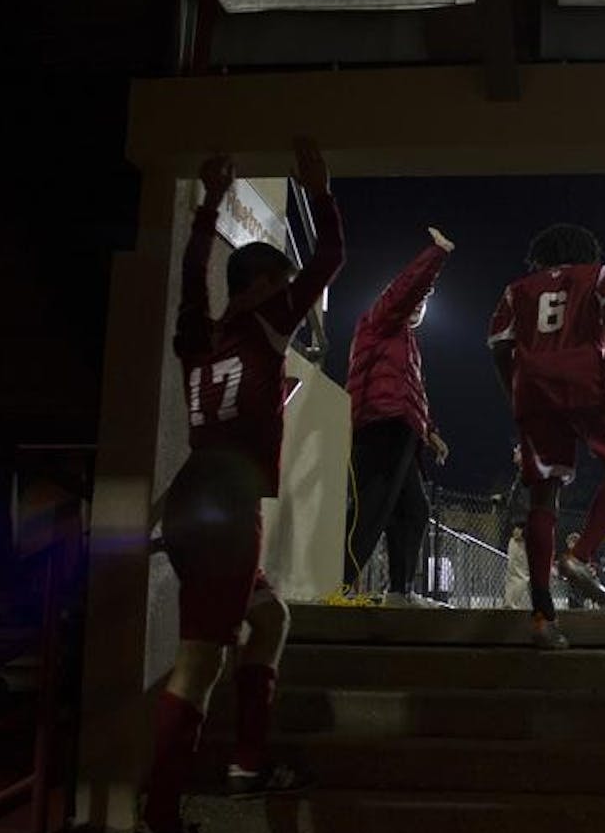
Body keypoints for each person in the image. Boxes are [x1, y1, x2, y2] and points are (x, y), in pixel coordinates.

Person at [144, 141, 341, 833]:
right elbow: (330, 259)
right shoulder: (262, 325)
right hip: (227, 511)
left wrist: (206, 205)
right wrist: (318, 191)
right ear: (261, 286)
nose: (290, 299)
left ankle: (247, 764)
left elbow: (195, 274)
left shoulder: (199, 335)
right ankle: (161, 812)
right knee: (198, 662)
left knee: (270, 619)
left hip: (195, 497)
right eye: (279, 284)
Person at [487, 223, 605, 649]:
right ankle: (579, 555)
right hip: (585, 377)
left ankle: (540, 616)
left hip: (533, 387)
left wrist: (513, 391)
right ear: (586, 252)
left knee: (542, 496)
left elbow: (498, 344)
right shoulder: (602, 275)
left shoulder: (518, 289)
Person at [345, 227, 454, 607]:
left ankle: (399, 592)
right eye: (418, 300)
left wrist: (431, 433)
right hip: (380, 424)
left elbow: (412, 393)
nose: (421, 306)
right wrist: (436, 255)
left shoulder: (405, 343)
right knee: (372, 506)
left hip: (402, 428)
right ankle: (337, 581)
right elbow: (405, 291)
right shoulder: (379, 321)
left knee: (413, 510)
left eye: (425, 303)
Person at [502, 522, 528, 609]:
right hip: (521, 534)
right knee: (518, 574)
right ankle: (511, 602)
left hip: (520, 534)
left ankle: (511, 602)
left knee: (517, 574)